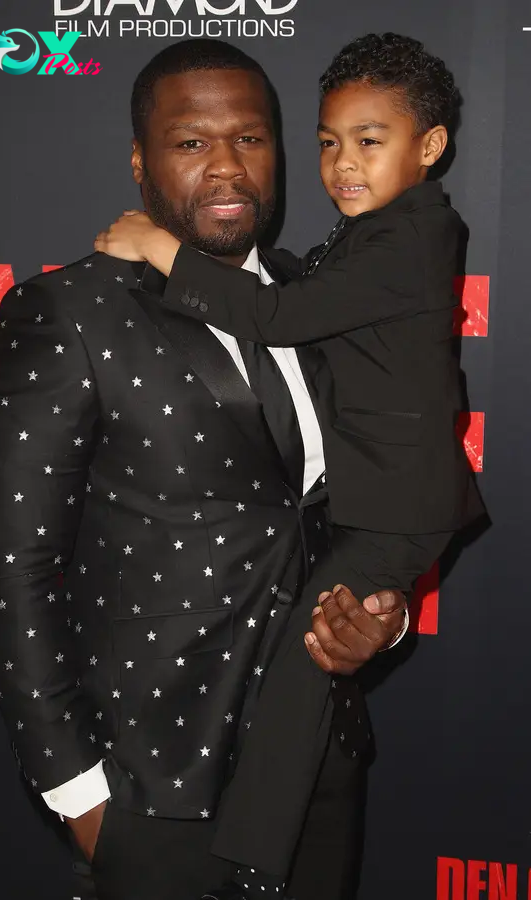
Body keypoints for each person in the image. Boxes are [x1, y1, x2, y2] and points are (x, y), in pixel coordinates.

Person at [0, 39, 408, 900]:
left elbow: (344, 513)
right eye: (191, 142)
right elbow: (9, 569)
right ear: (140, 159)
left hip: (318, 763)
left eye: (249, 138)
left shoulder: (315, 298)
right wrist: (78, 793)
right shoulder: (69, 312)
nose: (227, 168)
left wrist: (381, 621)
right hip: (153, 789)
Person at [94, 32, 486, 900]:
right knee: (311, 655)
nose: (342, 164)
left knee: (307, 666)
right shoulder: (373, 231)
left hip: (396, 505)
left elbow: (274, 315)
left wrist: (162, 250)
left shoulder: (411, 237)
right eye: (327, 142)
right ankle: (257, 850)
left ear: (429, 147)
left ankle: (254, 856)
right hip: (382, 504)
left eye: (369, 141)